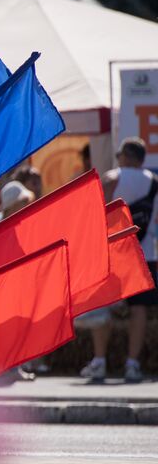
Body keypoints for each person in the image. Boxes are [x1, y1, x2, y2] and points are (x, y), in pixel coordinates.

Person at [81, 137, 158, 383]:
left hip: (113, 252)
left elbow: (95, 205)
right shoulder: (154, 182)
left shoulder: (114, 176)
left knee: (102, 305)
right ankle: (132, 364)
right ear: (142, 158)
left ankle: (100, 361)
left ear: (124, 156)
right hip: (144, 253)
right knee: (139, 309)